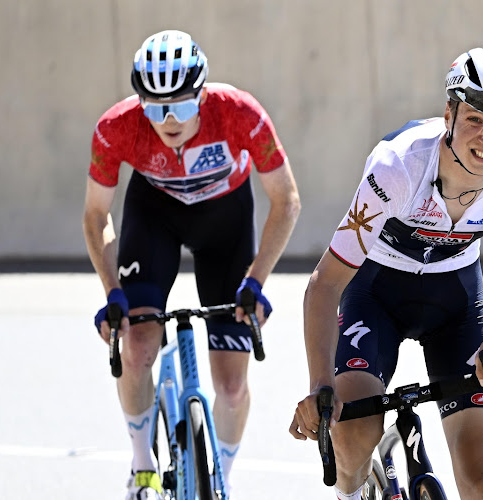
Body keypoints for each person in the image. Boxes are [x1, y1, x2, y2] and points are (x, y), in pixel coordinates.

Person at [290, 47, 483, 499]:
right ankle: (350, 493)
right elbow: (326, 283)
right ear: (449, 113)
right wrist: (319, 385)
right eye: (475, 119)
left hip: (455, 303)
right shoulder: (398, 166)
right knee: (351, 437)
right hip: (375, 294)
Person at [83, 29, 300, 500]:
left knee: (232, 385)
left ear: (203, 95)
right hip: (153, 217)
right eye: (156, 107)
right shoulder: (117, 126)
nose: (169, 120)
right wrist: (112, 293)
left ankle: (217, 478)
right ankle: (142, 467)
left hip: (225, 222)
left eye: (181, 105)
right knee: (138, 345)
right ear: (140, 102)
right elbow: (96, 215)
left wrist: (256, 281)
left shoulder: (240, 113)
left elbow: (286, 201)